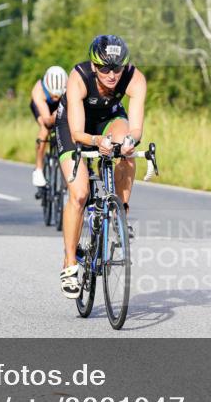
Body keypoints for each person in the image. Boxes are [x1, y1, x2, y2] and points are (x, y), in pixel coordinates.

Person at [55, 35, 146, 298]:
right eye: (104, 68)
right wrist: (96, 141)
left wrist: (130, 141)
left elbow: (137, 127)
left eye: (117, 68)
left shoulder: (134, 78)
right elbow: (76, 132)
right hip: (76, 128)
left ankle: (120, 214)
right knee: (80, 193)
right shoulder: (79, 77)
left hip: (109, 118)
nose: (111, 74)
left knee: (126, 151)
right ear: (94, 65)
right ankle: (70, 263)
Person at [30, 65, 68, 190]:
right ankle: (39, 169)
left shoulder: (68, 88)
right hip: (43, 107)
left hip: (60, 107)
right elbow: (47, 121)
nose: (55, 98)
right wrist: (52, 117)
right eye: (53, 96)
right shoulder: (38, 90)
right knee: (45, 130)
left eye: (58, 96)